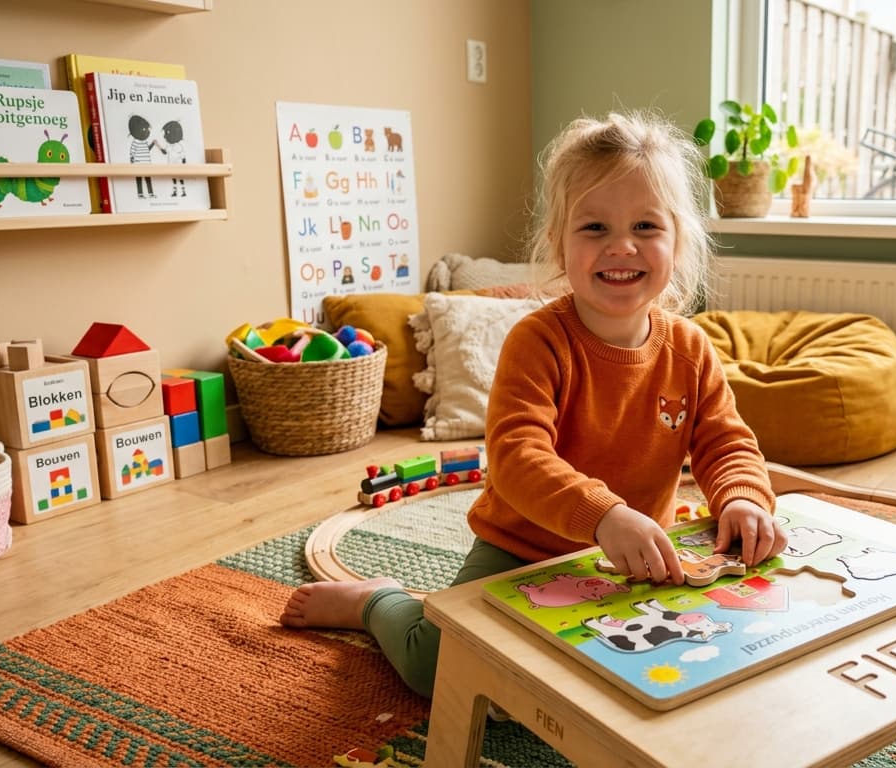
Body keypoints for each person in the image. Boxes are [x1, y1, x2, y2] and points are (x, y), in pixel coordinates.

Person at [280, 111, 787, 700]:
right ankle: (379, 600)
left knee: (692, 648)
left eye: (646, 226)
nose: (621, 245)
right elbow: (517, 458)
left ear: (678, 241)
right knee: (435, 666)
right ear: (558, 246)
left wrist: (742, 498)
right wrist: (603, 516)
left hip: (640, 554)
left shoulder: (690, 348)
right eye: (594, 227)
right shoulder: (538, 341)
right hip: (521, 548)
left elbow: (726, 441)